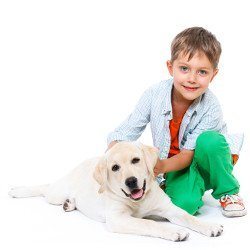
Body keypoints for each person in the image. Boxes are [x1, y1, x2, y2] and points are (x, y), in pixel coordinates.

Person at [106, 27, 246, 217]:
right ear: (170, 67)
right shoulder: (154, 94)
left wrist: (159, 166)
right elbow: (125, 132)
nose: (191, 79)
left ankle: (228, 191)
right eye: (184, 68)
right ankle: (183, 186)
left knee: (209, 141)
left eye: (202, 72)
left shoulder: (211, 107)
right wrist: (116, 158)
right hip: (176, 167)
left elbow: (189, 155)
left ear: (214, 74)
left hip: (208, 161)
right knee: (182, 207)